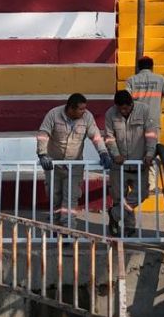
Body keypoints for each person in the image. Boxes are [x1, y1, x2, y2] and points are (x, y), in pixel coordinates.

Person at [37, 93, 113, 227]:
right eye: (81, 109)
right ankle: (55, 226)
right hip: (54, 164)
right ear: (71, 108)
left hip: (75, 165)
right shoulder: (53, 114)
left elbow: (95, 136)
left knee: (70, 198)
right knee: (55, 197)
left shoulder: (87, 117)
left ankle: (68, 228)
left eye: (85, 108)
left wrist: (103, 152)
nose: (84, 111)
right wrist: (42, 154)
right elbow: (43, 134)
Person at [102, 90, 159, 236]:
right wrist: (115, 154)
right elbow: (109, 137)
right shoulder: (110, 113)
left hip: (140, 163)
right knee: (119, 197)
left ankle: (114, 215)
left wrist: (150, 154)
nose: (123, 111)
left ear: (132, 104)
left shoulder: (144, 110)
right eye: (120, 108)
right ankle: (129, 226)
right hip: (119, 165)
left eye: (126, 108)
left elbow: (151, 134)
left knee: (143, 193)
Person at [125, 56, 164, 129]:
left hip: (136, 120)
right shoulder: (160, 79)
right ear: (152, 67)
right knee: (152, 140)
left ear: (138, 67)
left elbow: (126, 99)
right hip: (153, 120)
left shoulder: (131, 80)